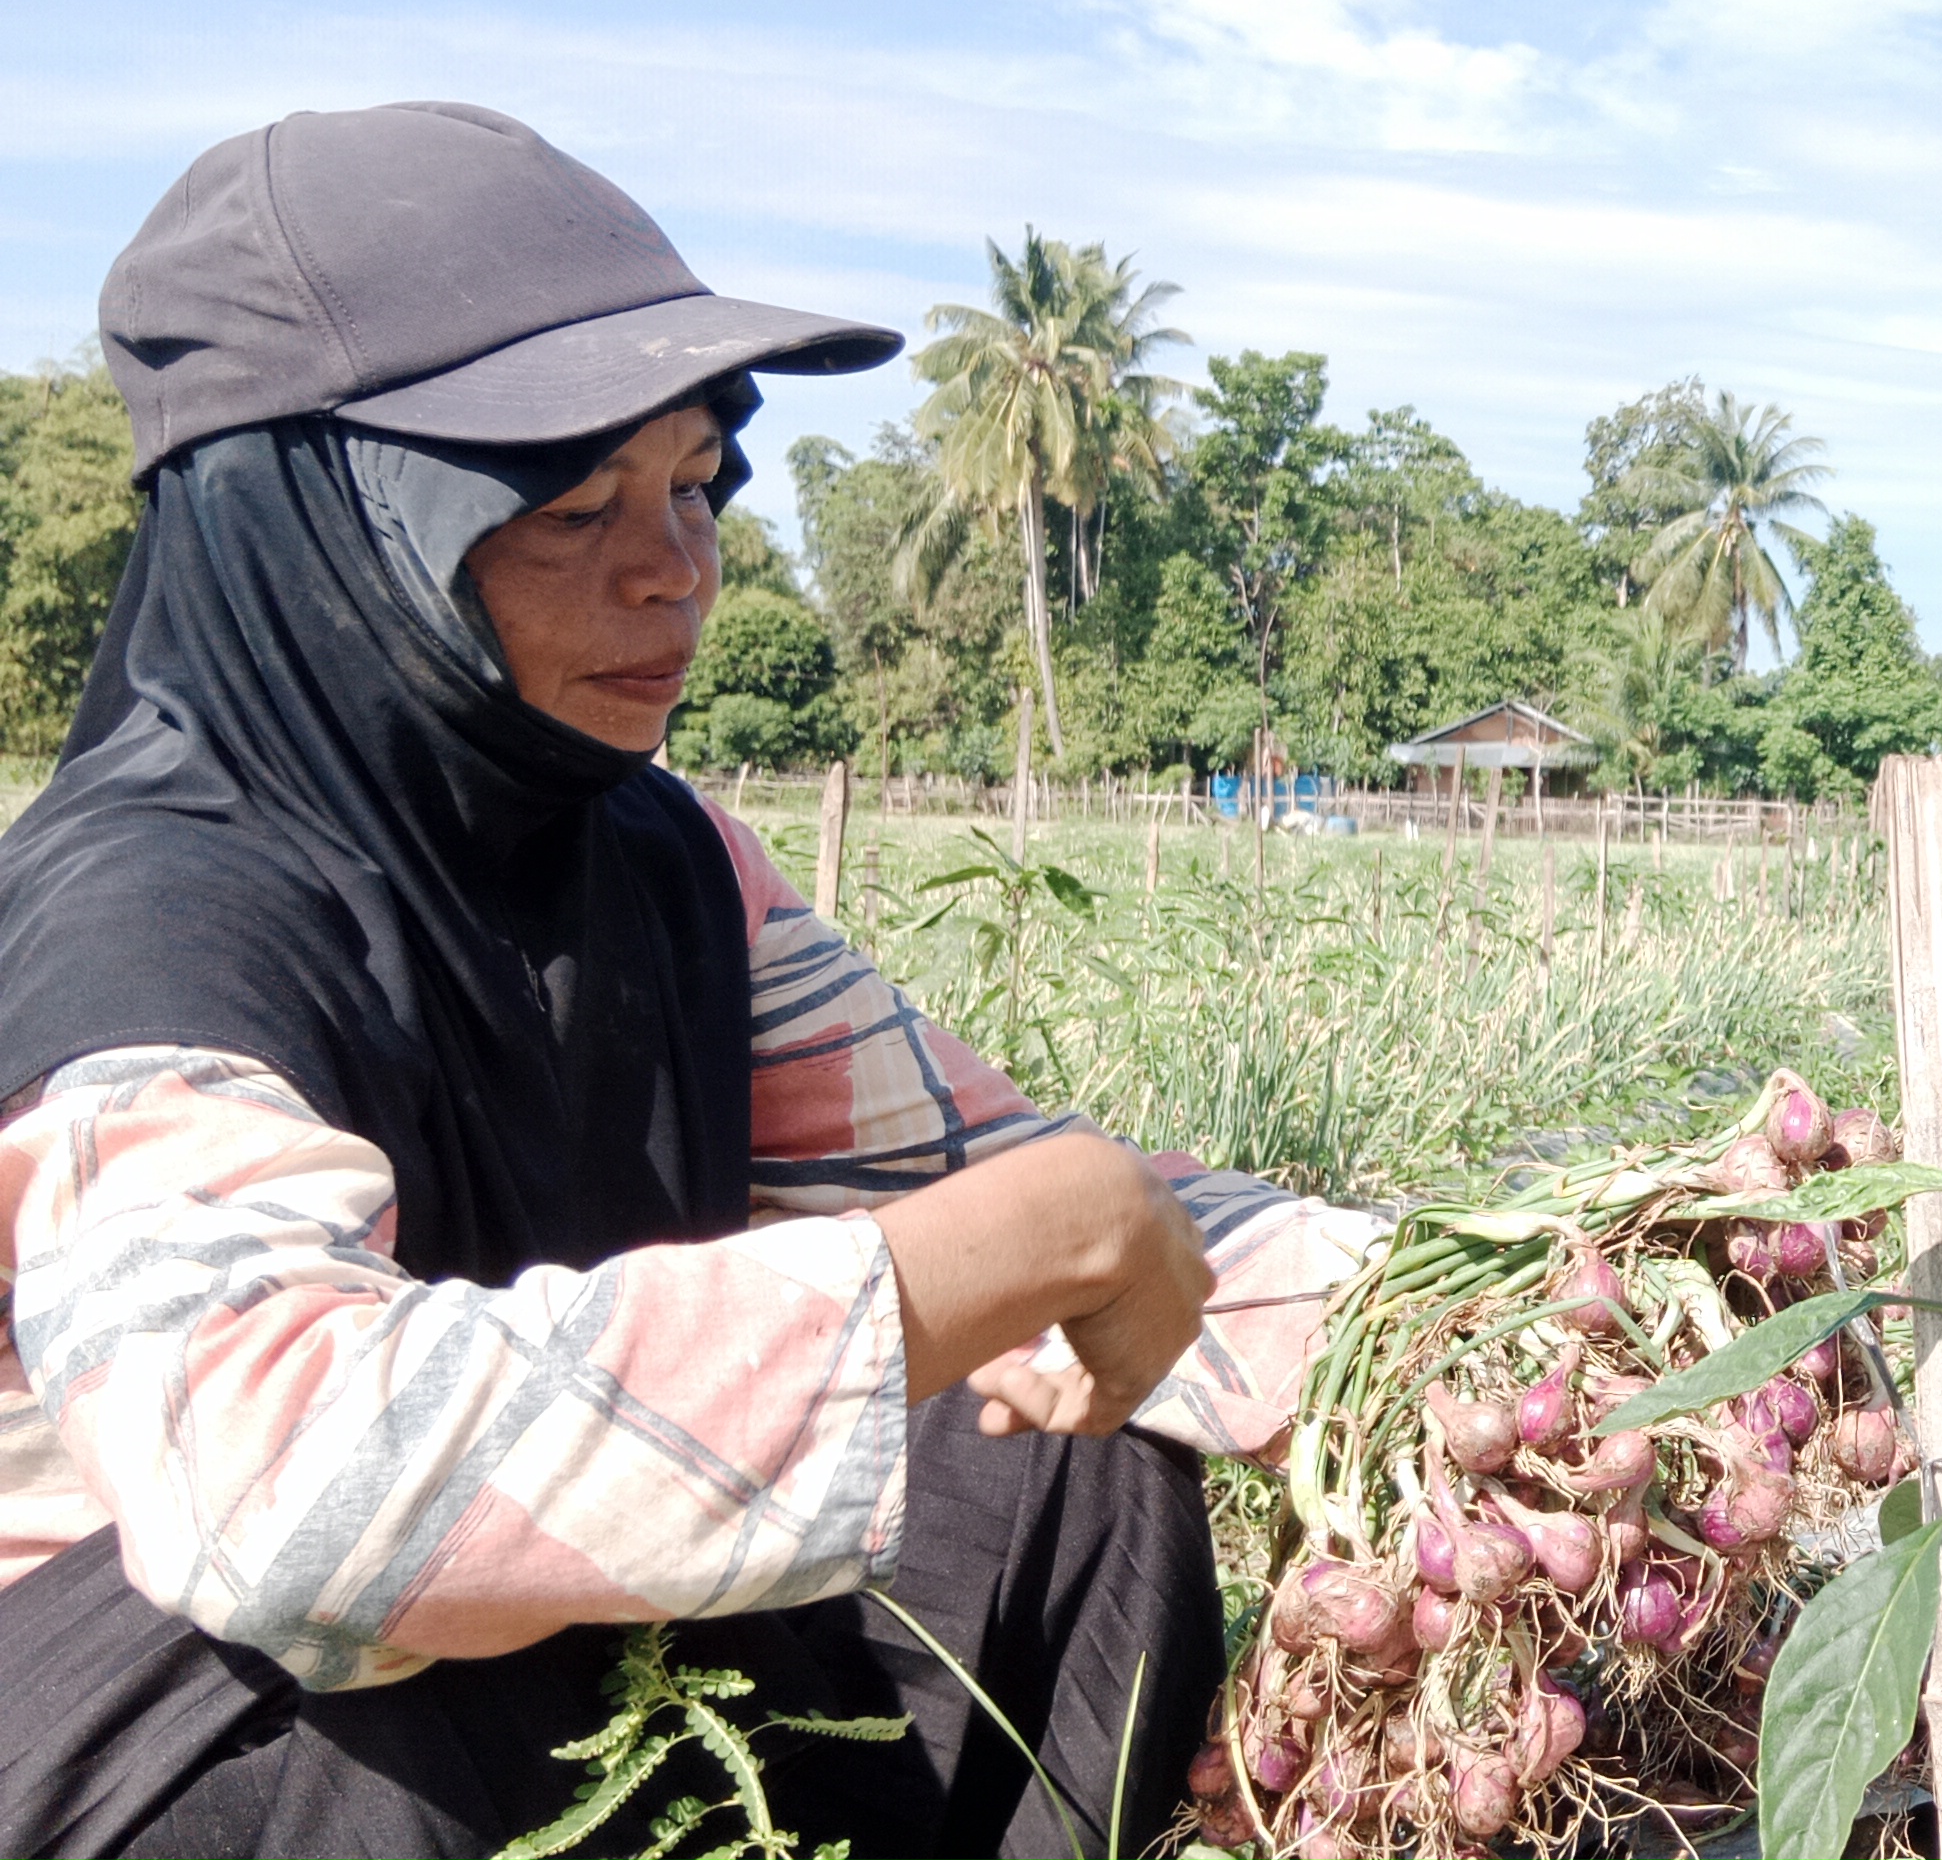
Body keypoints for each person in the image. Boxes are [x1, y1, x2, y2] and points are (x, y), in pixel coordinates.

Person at [0, 102, 1386, 1855]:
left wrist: (1527, 1324)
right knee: (374, 1737)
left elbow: (1009, 1186)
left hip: (531, 1656)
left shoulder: (652, 858)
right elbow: (277, 1491)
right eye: (577, 506)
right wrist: (987, 1258)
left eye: (692, 486)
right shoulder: (147, 926)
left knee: (1071, 1466)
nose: (679, 573)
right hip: (135, 1737)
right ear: (320, 544)